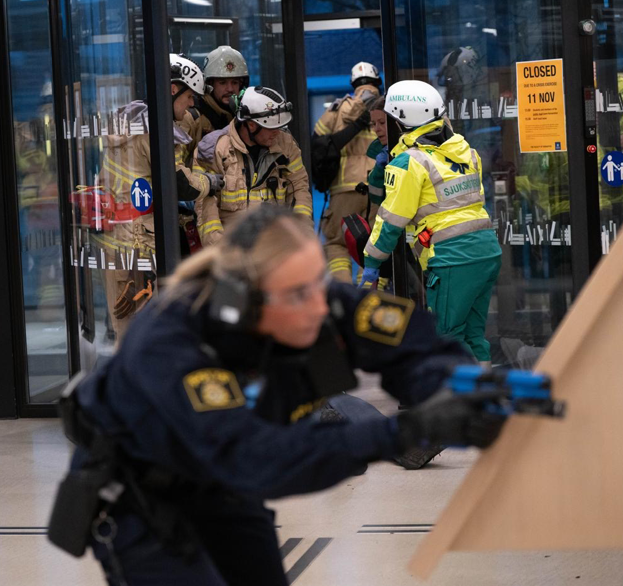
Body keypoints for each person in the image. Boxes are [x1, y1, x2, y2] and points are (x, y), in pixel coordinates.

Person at [48, 205, 510, 586]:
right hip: (141, 501)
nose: (319, 306)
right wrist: (399, 433)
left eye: (318, 284)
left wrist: (453, 391)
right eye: (297, 295)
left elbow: (414, 343)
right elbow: (252, 457)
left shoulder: (313, 296)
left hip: (221, 487)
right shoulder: (172, 340)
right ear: (244, 302)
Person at [361, 80, 502, 368]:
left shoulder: (409, 162)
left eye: (390, 119)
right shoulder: (465, 152)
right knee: (474, 335)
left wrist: (371, 262)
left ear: (401, 120)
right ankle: (483, 398)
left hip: (453, 257)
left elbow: (391, 219)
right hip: (487, 251)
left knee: (446, 335)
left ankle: (460, 403)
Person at [98, 54, 224, 340]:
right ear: (171, 89)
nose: (192, 103)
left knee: (126, 326)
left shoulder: (130, 120)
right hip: (141, 239)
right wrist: (213, 181)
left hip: (118, 236)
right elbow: (182, 185)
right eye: (189, 96)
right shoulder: (155, 130)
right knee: (146, 329)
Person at [193, 86, 313, 245]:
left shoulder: (286, 146)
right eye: (271, 126)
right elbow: (206, 211)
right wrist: (223, 254)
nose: (277, 132)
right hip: (233, 250)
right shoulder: (213, 150)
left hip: (275, 249)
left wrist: (303, 236)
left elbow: (299, 188)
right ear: (250, 125)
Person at [312, 62, 385, 282]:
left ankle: (345, 291)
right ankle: (370, 297)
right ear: (377, 83)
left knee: (336, 243)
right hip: (379, 187)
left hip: (344, 189)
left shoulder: (337, 109)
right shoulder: (385, 107)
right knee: (378, 244)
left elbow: (317, 143)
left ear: (354, 84)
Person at [179, 45, 250, 157]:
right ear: (210, 84)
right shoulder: (192, 117)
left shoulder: (245, 116)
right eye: (222, 83)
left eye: (235, 82)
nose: (230, 89)